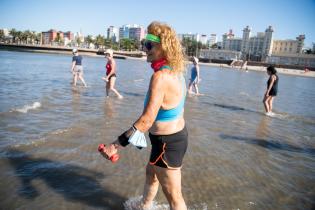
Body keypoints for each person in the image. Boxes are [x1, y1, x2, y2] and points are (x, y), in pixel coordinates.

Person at [100, 21, 188, 209]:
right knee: (151, 173)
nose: (144, 49)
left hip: (167, 143)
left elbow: (147, 120)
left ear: (163, 47)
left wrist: (115, 145)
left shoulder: (161, 77)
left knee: (175, 197)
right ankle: (145, 205)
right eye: (144, 44)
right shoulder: (175, 71)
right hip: (170, 139)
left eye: (149, 45)